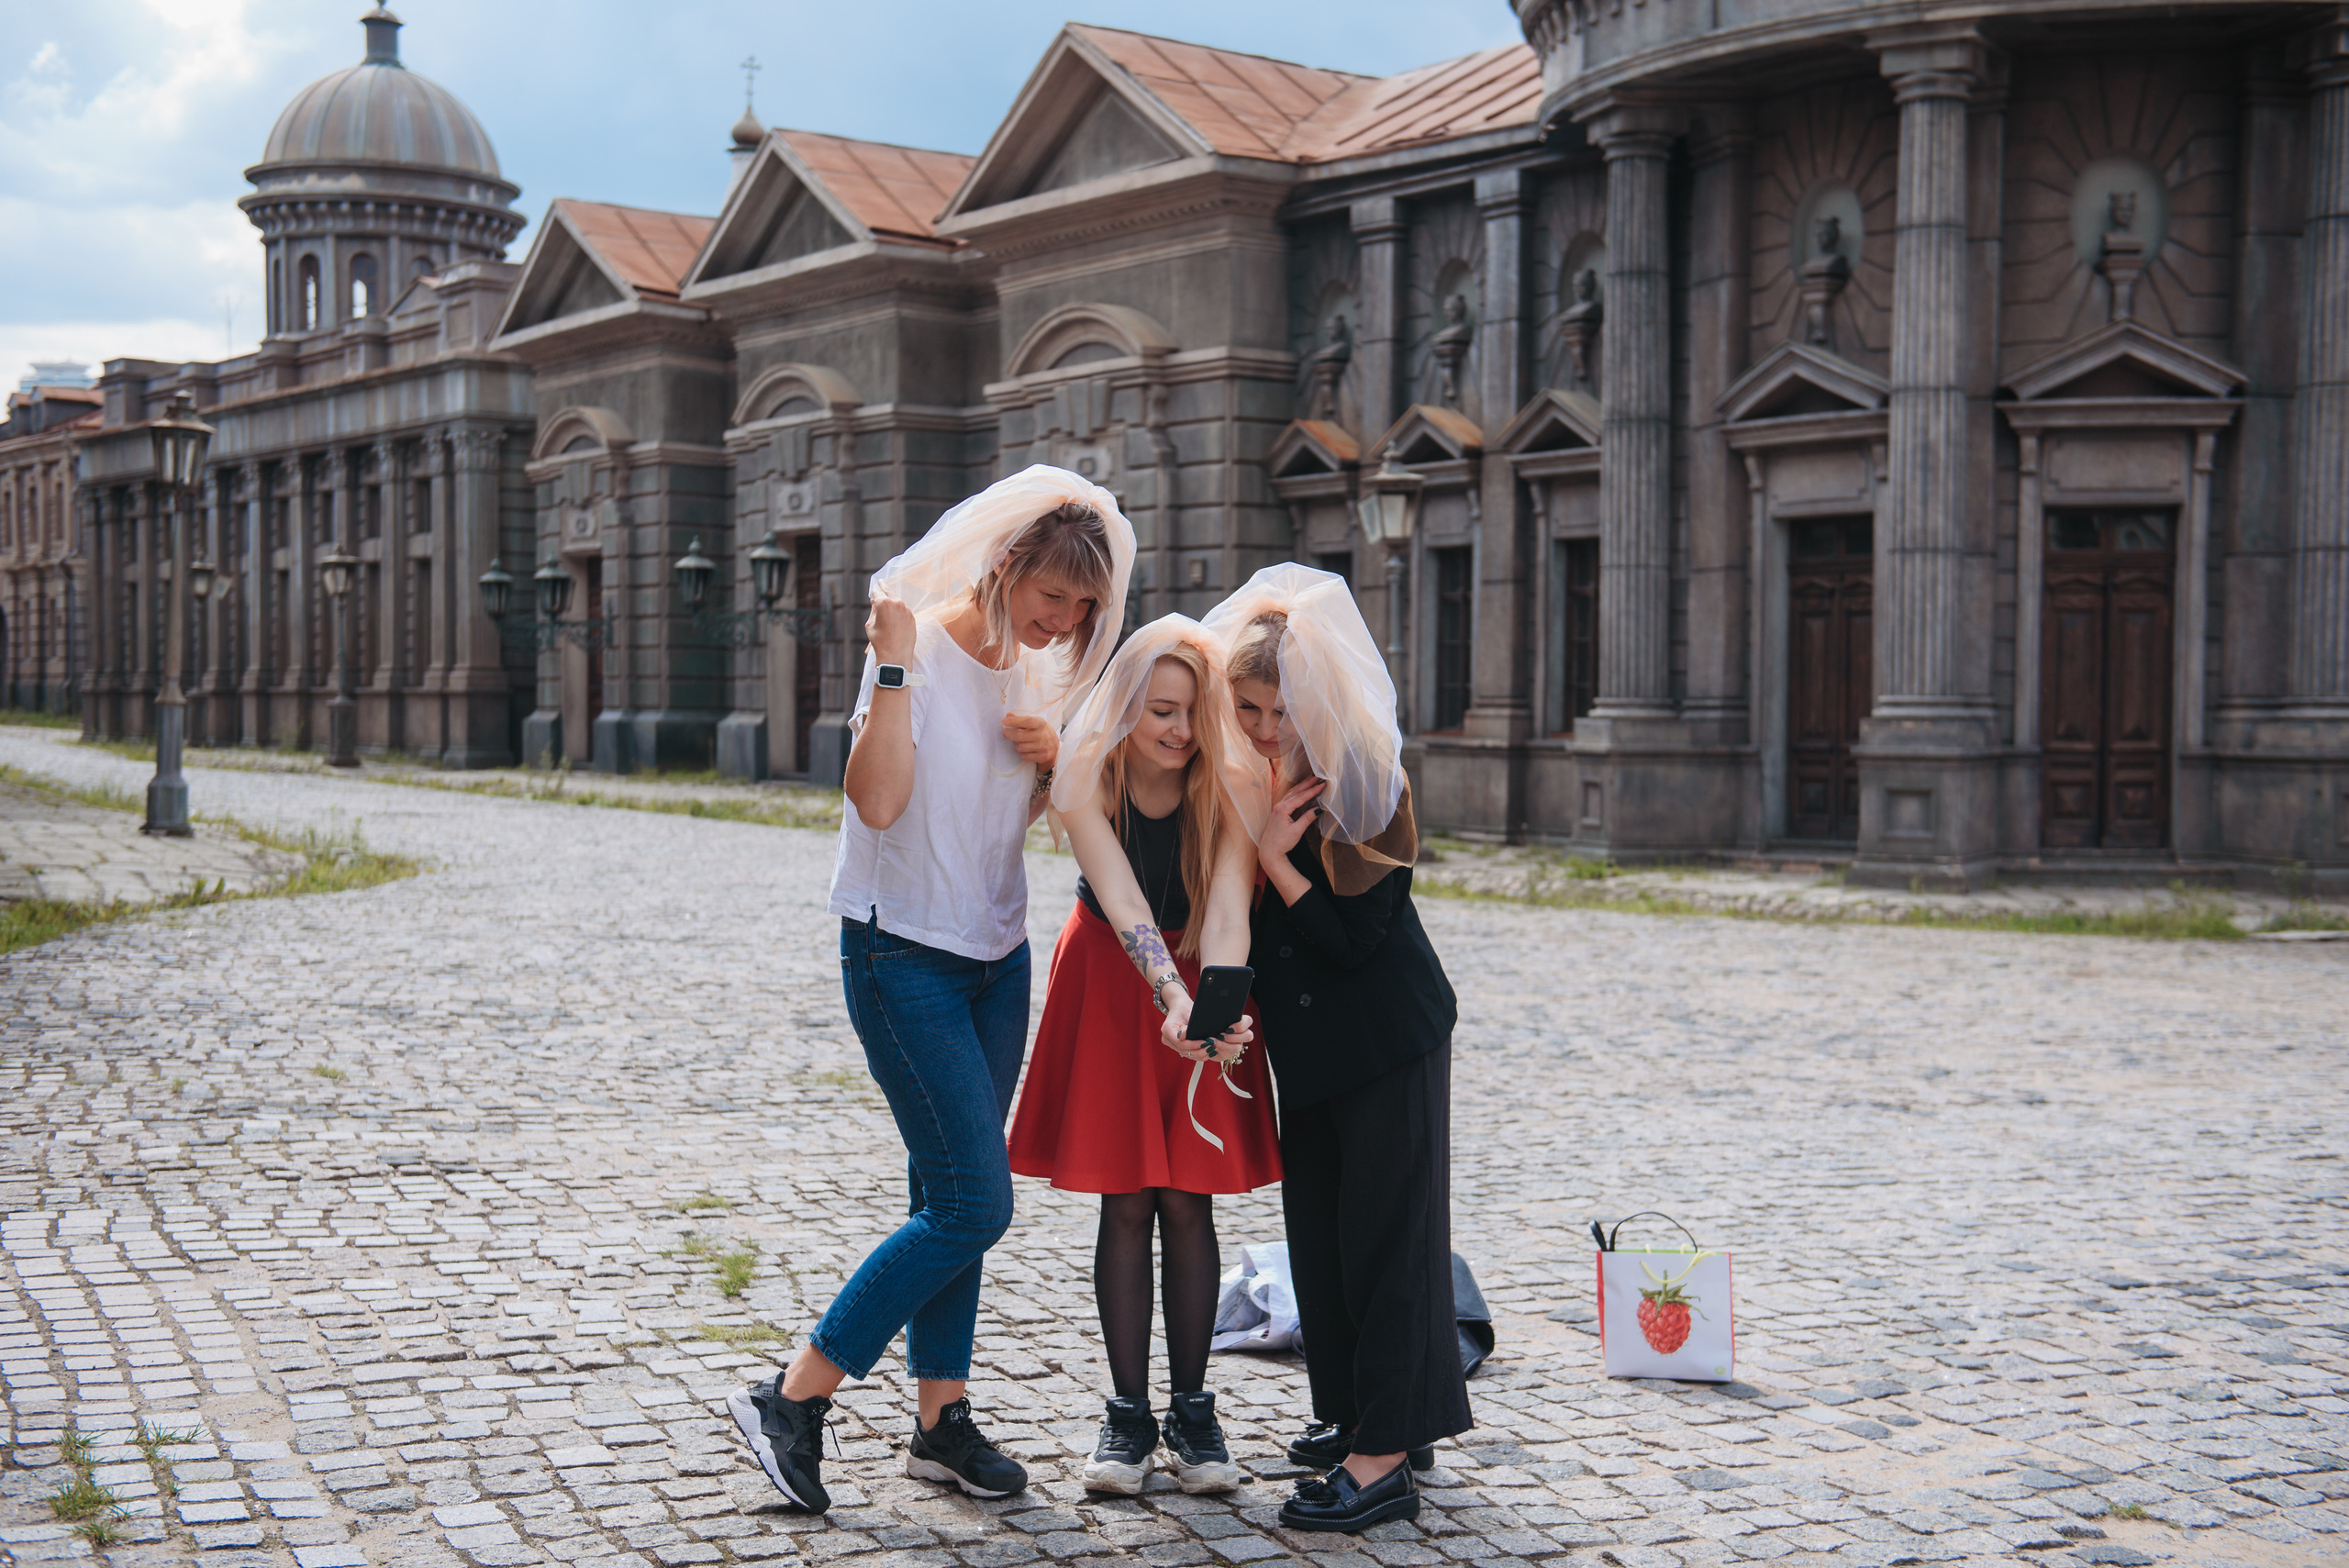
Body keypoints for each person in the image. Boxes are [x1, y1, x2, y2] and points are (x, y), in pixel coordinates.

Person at [728, 466, 1133, 1514]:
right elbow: (877, 801)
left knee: (946, 1192)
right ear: (1006, 565)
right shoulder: (909, 645)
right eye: (1052, 596)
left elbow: (1012, 815)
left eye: (1082, 606)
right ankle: (790, 1396)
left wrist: (1049, 765)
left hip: (997, 958)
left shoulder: (1033, 673)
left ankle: (940, 1420)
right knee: (972, 1200)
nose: (1065, 621)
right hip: (899, 952)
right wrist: (897, 667)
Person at [1200, 563, 1469, 1534]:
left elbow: (1357, 939)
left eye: (1283, 708)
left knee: (1388, 1240)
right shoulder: (1244, 769)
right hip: (1311, 1048)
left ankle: (1384, 1457)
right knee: (1322, 1239)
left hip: (1387, 1032)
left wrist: (1276, 856)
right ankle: (1365, 1412)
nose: (1267, 726)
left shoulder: (1365, 775)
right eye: (1248, 706)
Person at [1006, 616, 1278, 1496]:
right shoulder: (1085, 772)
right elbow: (1121, 898)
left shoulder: (1234, 780)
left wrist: (1221, 1000)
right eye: (1162, 710)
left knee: (1189, 1198)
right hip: (1114, 972)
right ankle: (1127, 1418)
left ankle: (1194, 1415)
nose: (1180, 729)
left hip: (1200, 963)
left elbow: (1230, 903)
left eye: (1194, 712)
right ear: (1126, 708)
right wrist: (1172, 995)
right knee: (1125, 1199)